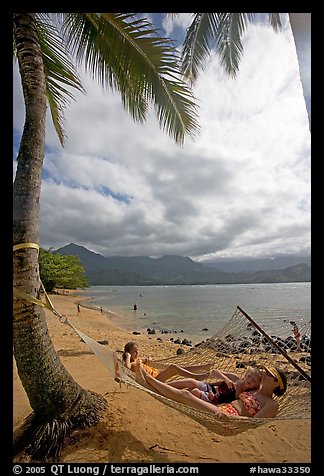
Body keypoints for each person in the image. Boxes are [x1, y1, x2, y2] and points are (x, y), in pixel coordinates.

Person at [135, 362, 287, 419]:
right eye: (266, 372)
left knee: (187, 394)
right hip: (221, 408)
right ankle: (148, 383)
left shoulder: (271, 405)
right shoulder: (255, 390)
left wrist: (232, 419)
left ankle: (148, 380)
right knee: (187, 391)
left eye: (269, 374)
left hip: (227, 416)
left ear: (276, 383)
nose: (265, 374)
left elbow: (253, 422)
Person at [122, 341, 213, 382]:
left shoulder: (137, 360)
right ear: (128, 353)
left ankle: (203, 366)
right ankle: (195, 376)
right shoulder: (131, 364)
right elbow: (127, 367)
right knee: (174, 367)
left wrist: (147, 359)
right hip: (155, 380)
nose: (137, 353)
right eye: (134, 351)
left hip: (157, 373)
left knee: (180, 368)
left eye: (137, 351)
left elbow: (145, 360)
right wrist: (128, 356)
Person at [168, 367, 261, 404]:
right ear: (245, 375)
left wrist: (213, 399)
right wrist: (226, 379)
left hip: (215, 399)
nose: (249, 380)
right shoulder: (235, 378)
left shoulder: (246, 394)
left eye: (253, 380)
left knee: (194, 392)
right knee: (191, 382)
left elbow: (229, 405)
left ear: (256, 386)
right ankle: (164, 386)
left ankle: (170, 395)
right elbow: (214, 371)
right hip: (212, 388)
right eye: (249, 376)